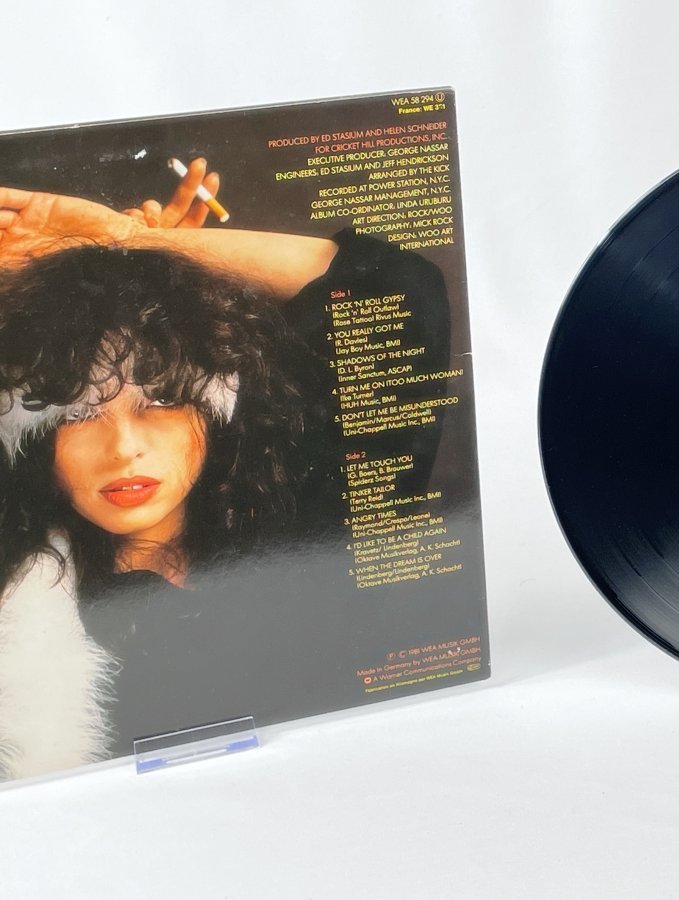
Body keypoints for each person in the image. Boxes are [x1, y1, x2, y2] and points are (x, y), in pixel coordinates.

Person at [0, 164, 450, 780]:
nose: (124, 448)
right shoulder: (22, 606)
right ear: (33, 440)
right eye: (78, 414)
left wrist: (138, 245)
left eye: (162, 400)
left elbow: (397, 287)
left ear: (214, 413)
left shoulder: (308, 531)